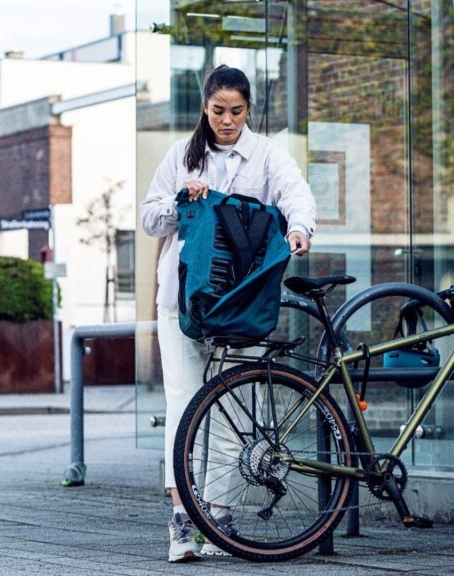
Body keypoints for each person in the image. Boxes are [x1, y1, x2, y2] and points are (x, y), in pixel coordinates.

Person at [140, 64, 317, 563]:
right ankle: (182, 520)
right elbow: (150, 218)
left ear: (248, 109)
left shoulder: (265, 154)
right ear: (205, 107)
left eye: (236, 111)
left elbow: (295, 192)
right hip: (182, 302)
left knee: (232, 408)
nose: (227, 120)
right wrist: (182, 201)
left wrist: (300, 228)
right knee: (183, 405)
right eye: (218, 110)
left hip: (241, 300)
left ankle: (217, 516)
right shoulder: (181, 155)